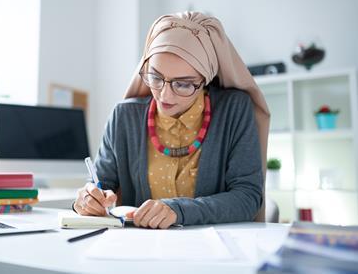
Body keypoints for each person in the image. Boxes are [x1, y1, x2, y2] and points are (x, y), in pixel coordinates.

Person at [73, 12, 270, 229]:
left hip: (214, 251)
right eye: (155, 78)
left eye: (184, 84)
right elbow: (101, 186)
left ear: (205, 79)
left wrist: (179, 211)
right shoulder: (123, 117)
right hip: (140, 250)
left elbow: (247, 198)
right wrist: (88, 199)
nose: (165, 96)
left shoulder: (234, 109)